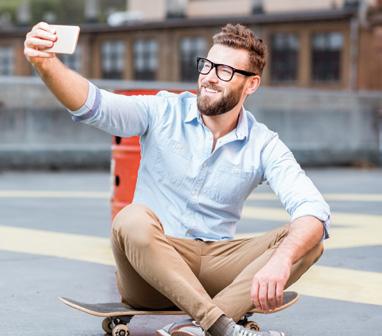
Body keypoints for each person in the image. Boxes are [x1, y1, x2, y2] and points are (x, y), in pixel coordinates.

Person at [24, 22, 330, 336]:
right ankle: (219, 324)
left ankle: (196, 328)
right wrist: (45, 63)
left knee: (309, 240)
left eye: (224, 71)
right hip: (149, 272)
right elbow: (95, 106)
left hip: (214, 265)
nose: (209, 77)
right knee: (131, 218)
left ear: (251, 85)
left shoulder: (263, 144)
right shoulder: (163, 110)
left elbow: (312, 208)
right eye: (207, 65)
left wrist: (282, 259)